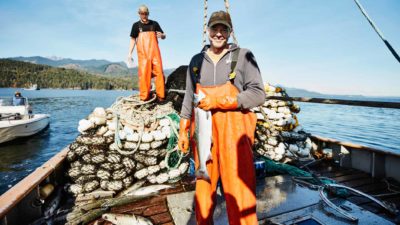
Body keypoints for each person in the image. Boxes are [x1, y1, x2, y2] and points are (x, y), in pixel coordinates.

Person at [178, 11, 266, 225]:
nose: (218, 33)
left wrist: (220, 102)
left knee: (240, 191)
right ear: (207, 30)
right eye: (214, 28)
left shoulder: (244, 56)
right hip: (204, 134)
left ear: (230, 31)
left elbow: (258, 94)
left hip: (234, 135)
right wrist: (183, 128)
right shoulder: (196, 61)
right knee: (204, 191)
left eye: (223, 29)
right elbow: (189, 97)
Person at [128, 5, 166, 101]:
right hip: (143, 55)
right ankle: (144, 98)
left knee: (159, 73)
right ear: (139, 14)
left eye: (146, 14)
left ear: (148, 14)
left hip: (155, 54)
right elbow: (133, 39)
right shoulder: (136, 25)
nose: (144, 16)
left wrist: (162, 35)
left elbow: (164, 35)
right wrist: (129, 53)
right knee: (144, 74)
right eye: (142, 14)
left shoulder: (154, 24)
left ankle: (161, 97)